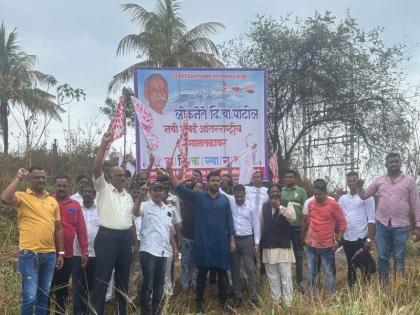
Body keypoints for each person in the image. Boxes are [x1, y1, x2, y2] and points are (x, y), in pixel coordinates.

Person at [168, 164, 235, 313]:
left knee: (222, 274)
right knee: (201, 274)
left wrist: (232, 240)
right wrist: (170, 172)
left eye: (218, 180)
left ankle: (223, 303)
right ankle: (199, 302)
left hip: (220, 243)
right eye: (213, 180)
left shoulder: (224, 200)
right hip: (203, 242)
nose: (216, 183)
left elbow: (229, 221)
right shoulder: (199, 196)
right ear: (207, 182)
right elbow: (179, 188)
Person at [1, 166, 65, 315]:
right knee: (29, 297)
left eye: (43, 177)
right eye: (37, 177)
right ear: (30, 179)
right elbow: (4, 197)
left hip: (49, 255)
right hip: (29, 254)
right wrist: (19, 177)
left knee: (44, 295)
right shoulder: (22, 197)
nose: (41, 180)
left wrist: (60, 252)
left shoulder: (52, 201)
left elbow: (58, 228)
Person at [356, 152, 420, 284]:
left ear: (400, 162)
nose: (394, 164)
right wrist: (359, 187)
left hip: (401, 227)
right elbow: (364, 196)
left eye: (396, 161)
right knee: (383, 258)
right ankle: (383, 288)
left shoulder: (409, 181)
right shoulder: (379, 181)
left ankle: (398, 288)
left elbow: (415, 204)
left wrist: (418, 226)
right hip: (382, 226)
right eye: (391, 162)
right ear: (386, 164)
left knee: (399, 258)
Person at [91, 131, 134, 315]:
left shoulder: (129, 197)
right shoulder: (103, 189)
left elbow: (130, 222)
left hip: (124, 240)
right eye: (119, 175)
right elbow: (96, 168)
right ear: (110, 178)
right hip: (107, 238)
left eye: (124, 175)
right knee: (102, 280)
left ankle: (122, 312)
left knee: (123, 281)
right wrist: (103, 145)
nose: (123, 178)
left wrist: (133, 243)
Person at [132, 181, 178, 315]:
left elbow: (168, 230)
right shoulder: (145, 206)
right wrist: (140, 196)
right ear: (150, 192)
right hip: (149, 251)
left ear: (164, 192)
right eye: (155, 190)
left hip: (164, 252)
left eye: (160, 190)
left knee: (159, 285)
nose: (158, 193)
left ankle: (157, 310)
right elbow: (134, 213)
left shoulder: (168, 209)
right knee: (148, 283)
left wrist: (174, 247)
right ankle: (145, 312)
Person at [49, 175, 89, 314]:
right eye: (59, 186)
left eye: (64, 186)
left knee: (62, 289)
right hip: (48, 253)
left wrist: (85, 251)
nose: (61, 188)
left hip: (68, 255)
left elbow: (81, 228)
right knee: (47, 288)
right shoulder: (48, 201)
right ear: (54, 186)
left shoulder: (75, 205)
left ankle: (60, 312)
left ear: (69, 186)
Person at [302, 179, 347, 294]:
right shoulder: (310, 204)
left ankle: (332, 296)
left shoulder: (333, 205)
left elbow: (342, 223)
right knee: (311, 271)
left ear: (325, 192)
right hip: (311, 244)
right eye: (315, 194)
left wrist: (338, 239)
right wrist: (306, 236)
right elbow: (308, 221)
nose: (317, 196)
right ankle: (310, 296)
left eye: (319, 194)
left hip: (326, 246)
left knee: (329, 272)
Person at [221, 184, 260, 307]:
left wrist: (257, 243)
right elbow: (220, 190)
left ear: (245, 195)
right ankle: (237, 296)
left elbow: (256, 225)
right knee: (235, 270)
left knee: (250, 269)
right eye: (237, 197)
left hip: (248, 240)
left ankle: (253, 297)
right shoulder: (230, 200)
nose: (239, 199)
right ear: (234, 194)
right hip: (233, 240)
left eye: (241, 197)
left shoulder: (251, 206)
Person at [339, 171, 376, 287]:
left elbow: (371, 220)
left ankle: (366, 292)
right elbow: (340, 218)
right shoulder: (342, 199)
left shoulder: (367, 198)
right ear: (347, 182)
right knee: (351, 265)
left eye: (354, 180)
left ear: (358, 180)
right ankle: (352, 291)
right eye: (349, 181)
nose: (352, 183)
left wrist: (368, 240)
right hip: (347, 238)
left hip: (361, 238)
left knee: (364, 266)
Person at [261, 184, 296, 306]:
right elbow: (261, 226)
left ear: (280, 193)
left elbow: (292, 218)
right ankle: (276, 304)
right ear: (268, 194)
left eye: (277, 191)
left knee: (286, 278)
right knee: (273, 279)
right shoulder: (264, 207)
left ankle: (288, 304)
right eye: (272, 192)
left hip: (283, 247)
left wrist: (279, 207)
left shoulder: (287, 204)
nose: (274, 194)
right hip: (269, 247)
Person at [72, 182, 99, 315]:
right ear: (81, 194)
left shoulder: (101, 210)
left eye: (90, 192)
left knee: (93, 288)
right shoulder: (77, 209)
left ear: (95, 195)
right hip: (78, 254)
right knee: (78, 288)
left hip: (95, 255)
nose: (87, 194)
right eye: (85, 191)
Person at [280, 169, 307, 290]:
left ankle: (299, 281)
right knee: (284, 255)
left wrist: (304, 230)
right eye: (286, 177)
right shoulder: (281, 192)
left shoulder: (301, 192)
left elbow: (306, 211)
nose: (288, 179)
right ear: (284, 179)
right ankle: (285, 281)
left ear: (295, 179)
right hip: (284, 229)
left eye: (291, 177)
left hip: (297, 229)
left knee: (298, 255)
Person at [180, 180, 204, 289]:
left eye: (200, 188)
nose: (198, 189)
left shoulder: (205, 202)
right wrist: (187, 178)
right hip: (186, 237)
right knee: (185, 264)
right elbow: (179, 186)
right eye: (196, 187)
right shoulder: (187, 198)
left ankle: (195, 285)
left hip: (199, 238)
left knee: (196, 265)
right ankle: (184, 286)